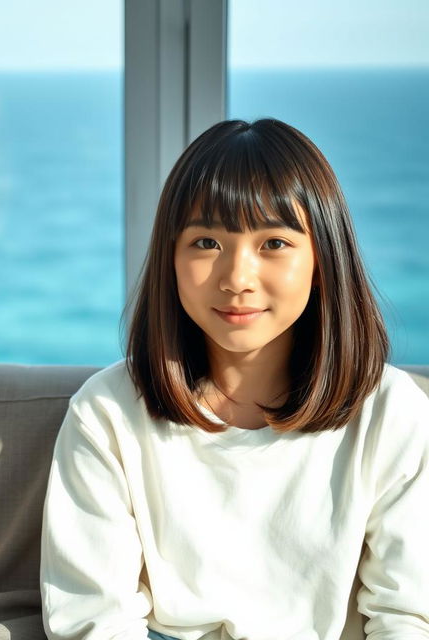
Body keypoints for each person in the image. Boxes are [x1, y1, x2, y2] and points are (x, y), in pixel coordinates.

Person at [39, 119, 429, 639]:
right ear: (170, 257)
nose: (237, 279)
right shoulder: (107, 412)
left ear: (323, 258)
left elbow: (408, 618)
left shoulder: (390, 411)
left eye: (273, 243)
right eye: (205, 242)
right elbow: (92, 622)